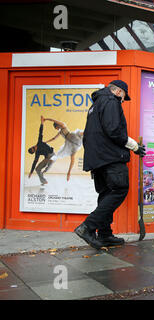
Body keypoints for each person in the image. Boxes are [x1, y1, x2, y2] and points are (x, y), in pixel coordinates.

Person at [74, 80, 146, 249]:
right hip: (110, 158)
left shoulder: (96, 105)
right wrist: (134, 146)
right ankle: (88, 227)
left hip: (97, 159)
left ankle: (105, 234)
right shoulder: (111, 101)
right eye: (123, 98)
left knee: (106, 193)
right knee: (119, 189)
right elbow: (114, 130)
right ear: (118, 92)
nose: (122, 101)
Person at [42, 117, 84, 181]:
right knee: (71, 157)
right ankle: (69, 173)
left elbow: (53, 120)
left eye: (55, 128)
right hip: (71, 144)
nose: (56, 129)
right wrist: (45, 142)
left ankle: (92, 133)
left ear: (57, 125)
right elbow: (54, 138)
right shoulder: (60, 132)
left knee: (81, 133)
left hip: (73, 137)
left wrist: (46, 119)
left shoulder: (63, 125)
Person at [28, 116, 56, 185]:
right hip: (47, 158)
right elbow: (34, 163)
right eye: (34, 148)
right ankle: (44, 181)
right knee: (37, 169)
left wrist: (42, 123)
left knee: (49, 162)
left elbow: (40, 132)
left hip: (52, 155)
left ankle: (47, 167)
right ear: (34, 151)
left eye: (33, 146)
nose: (35, 146)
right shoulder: (37, 153)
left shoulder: (39, 142)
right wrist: (31, 172)